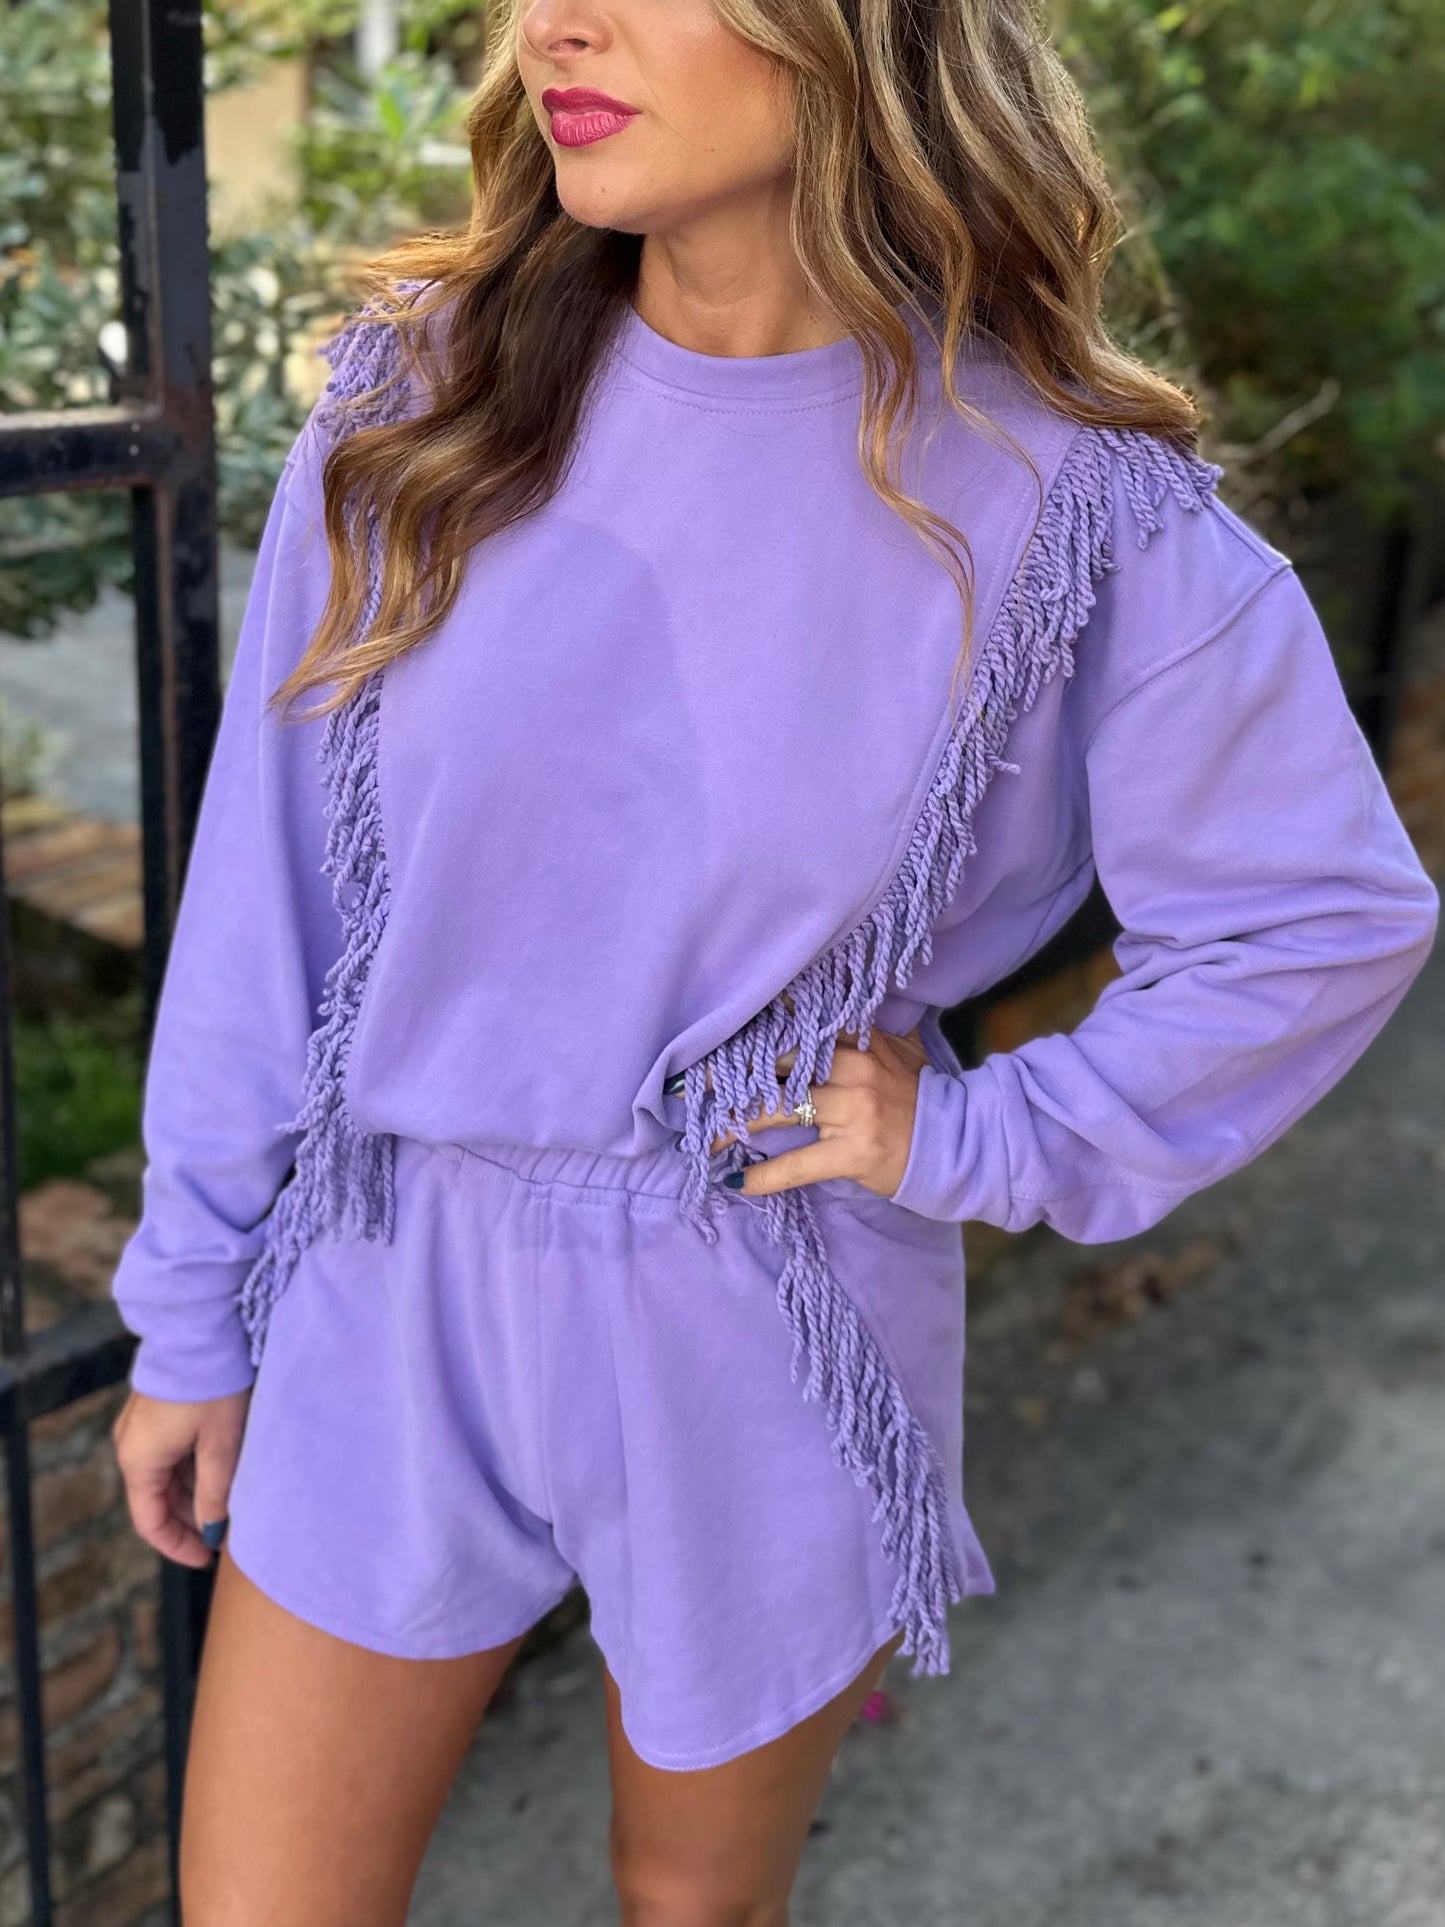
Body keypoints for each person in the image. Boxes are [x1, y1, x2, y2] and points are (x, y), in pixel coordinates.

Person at [107, 1, 1439, 1921]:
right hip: (390, 1272)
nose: (555, 24)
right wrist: (191, 1308)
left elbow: (1317, 914)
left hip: (764, 1293)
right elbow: (271, 892)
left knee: (700, 1910)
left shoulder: (1064, 498)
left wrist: (980, 1136)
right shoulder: (431, 395)